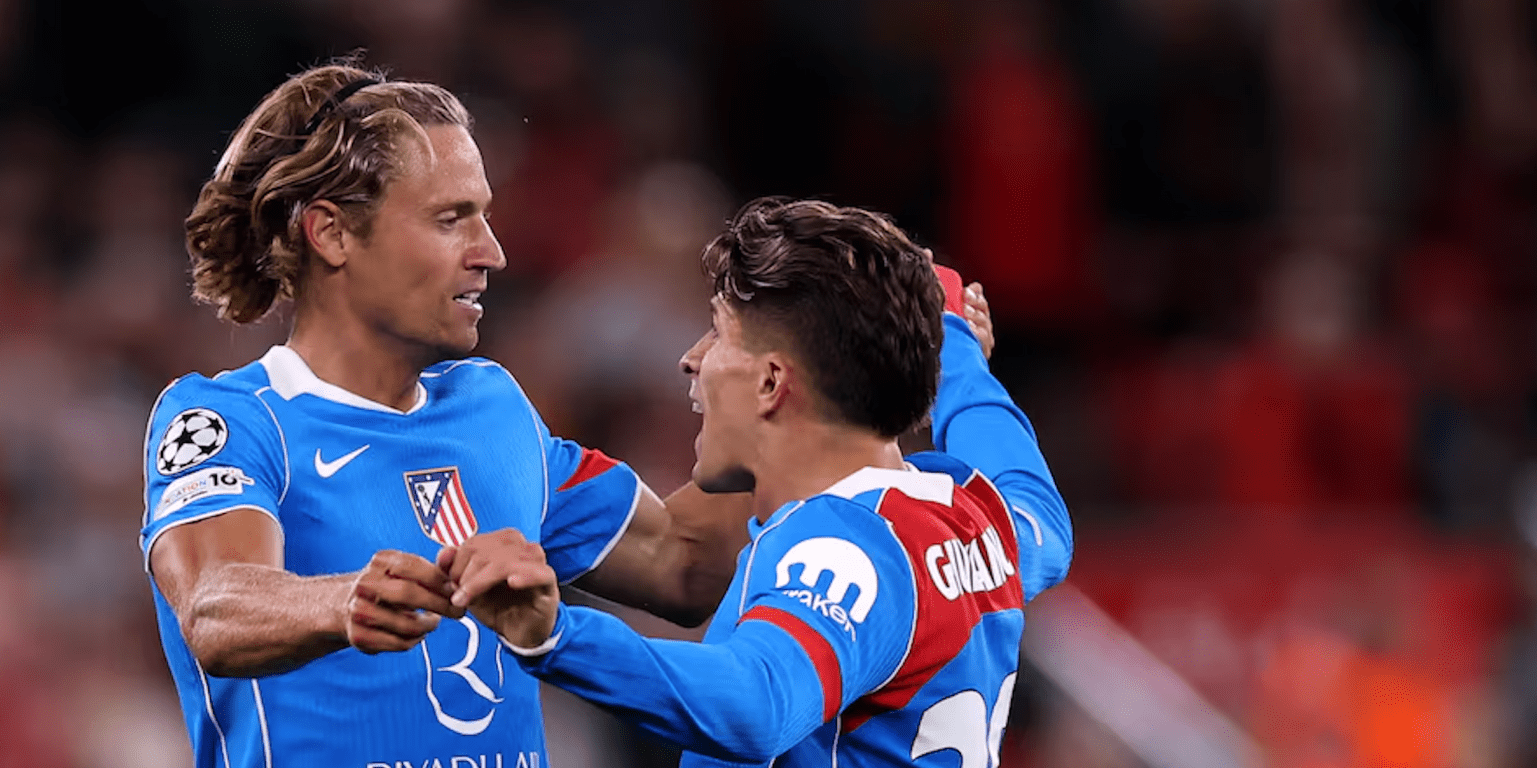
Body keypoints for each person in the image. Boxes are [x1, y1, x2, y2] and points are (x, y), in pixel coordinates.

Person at [140, 60, 758, 767]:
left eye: (484, 216)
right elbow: (214, 607)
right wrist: (344, 602)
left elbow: (684, 563)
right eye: (449, 219)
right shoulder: (229, 420)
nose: (491, 252)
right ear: (332, 233)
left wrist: (808, 403)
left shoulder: (491, 410)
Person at [442, 197, 1073, 767]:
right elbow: (1035, 504)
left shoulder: (844, 546)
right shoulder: (979, 519)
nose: (691, 358)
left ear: (772, 382)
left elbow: (759, 700)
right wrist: (953, 344)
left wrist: (556, 635)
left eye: (718, 331)